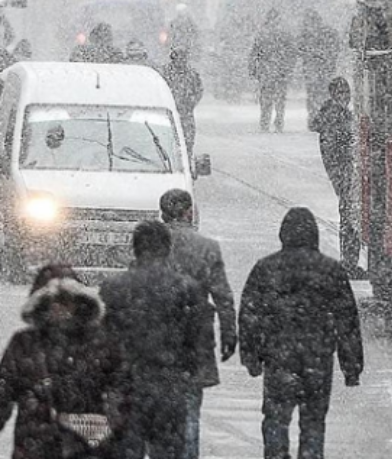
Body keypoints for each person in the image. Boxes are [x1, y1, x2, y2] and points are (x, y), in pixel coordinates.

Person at [239, 207, 364, 459]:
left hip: (278, 360)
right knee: (313, 423)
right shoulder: (331, 271)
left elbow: (249, 317)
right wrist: (351, 367)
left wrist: (251, 357)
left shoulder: (265, 269)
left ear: (283, 234)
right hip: (317, 361)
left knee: (275, 418)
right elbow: (347, 322)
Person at [99, 221, 205, 459]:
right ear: (168, 248)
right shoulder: (185, 289)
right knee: (167, 451)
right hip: (169, 386)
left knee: (126, 449)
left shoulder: (115, 287)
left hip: (127, 388)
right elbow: (194, 342)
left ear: (135, 248)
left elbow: (105, 342)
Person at [0, 265, 130, 458]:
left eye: (65, 300)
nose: (59, 307)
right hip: (37, 449)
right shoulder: (24, 343)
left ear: (79, 302)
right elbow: (3, 393)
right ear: (40, 304)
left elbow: (122, 392)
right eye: (51, 301)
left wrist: (109, 423)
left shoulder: (102, 344)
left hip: (84, 450)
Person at [160, 189, 237, 459]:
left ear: (163, 214)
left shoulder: (153, 246)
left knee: (157, 413)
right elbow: (223, 295)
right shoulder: (206, 247)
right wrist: (229, 333)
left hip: (156, 339)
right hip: (196, 338)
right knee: (191, 411)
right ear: (189, 212)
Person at [309, 77, 362, 277]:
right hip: (345, 173)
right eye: (341, 94)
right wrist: (342, 175)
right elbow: (332, 152)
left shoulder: (336, 115)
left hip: (344, 173)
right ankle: (349, 262)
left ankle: (350, 261)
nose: (345, 98)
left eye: (346, 94)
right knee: (349, 216)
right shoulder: (335, 117)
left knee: (348, 215)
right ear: (333, 95)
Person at [249, 9, 297, 133]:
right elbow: (292, 53)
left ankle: (265, 122)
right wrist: (289, 67)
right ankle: (279, 121)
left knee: (266, 99)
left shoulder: (262, 34)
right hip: (281, 71)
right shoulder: (285, 34)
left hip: (266, 71)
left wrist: (253, 69)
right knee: (280, 99)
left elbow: (254, 53)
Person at [161, 48, 204, 159]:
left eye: (182, 58)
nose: (180, 61)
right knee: (165, 142)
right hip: (167, 114)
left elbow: (199, 90)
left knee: (186, 144)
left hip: (185, 114)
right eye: (178, 58)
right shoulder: (165, 73)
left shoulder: (192, 74)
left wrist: (190, 103)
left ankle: (186, 163)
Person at [298, 9, 338, 119]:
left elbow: (299, 49)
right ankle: (323, 116)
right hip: (324, 68)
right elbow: (335, 49)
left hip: (312, 69)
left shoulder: (306, 33)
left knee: (312, 94)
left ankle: (314, 116)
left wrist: (309, 55)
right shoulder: (328, 31)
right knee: (324, 93)